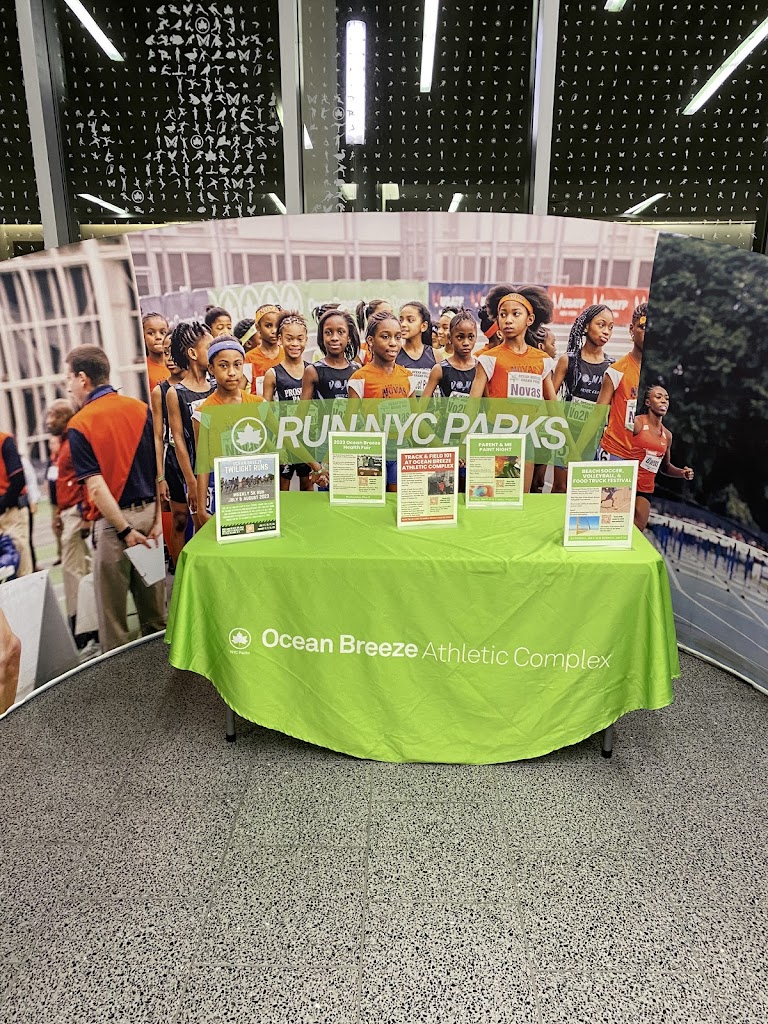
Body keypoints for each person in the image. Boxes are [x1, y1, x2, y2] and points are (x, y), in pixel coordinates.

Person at [65, 345, 166, 653]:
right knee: (157, 619)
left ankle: (124, 684)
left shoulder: (80, 423)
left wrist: (124, 530)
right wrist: (157, 522)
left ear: (83, 378)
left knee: (114, 627)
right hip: (151, 521)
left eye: (68, 378)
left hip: (114, 528)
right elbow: (159, 470)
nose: (67, 386)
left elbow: (96, 487)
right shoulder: (140, 409)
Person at [194, 337, 266, 523]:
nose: (232, 372)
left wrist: (316, 468)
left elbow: (285, 439)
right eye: (223, 366)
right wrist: (201, 510)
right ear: (211, 368)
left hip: (257, 488)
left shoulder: (259, 405)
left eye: (237, 365)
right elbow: (203, 462)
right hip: (224, 491)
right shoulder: (203, 412)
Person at [549, 304, 615, 492]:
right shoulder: (568, 360)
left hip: (594, 437)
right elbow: (549, 398)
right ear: (586, 326)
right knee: (560, 487)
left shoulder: (612, 366)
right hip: (567, 432)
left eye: (610, 327)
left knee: (583, 491)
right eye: (601, 325)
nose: (606, 331)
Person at [163, 323, 215, 559]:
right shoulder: (176, 393)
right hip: (196, 474)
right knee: (204, 533)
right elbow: (178, 441)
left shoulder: (216, 386)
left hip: (221, 470)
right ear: (193, 353)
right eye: (209, 347)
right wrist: (191, 482)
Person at [45, 399, 94, 646]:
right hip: (69, 512)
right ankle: (87, 623)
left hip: (76, 513)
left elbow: (85, 479)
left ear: (65, 416)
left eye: (53, 415)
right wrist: (58, 513)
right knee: (80, 569)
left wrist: (85, 516)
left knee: (73, 571)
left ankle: (81, 626)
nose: (48, 421)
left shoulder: (73, 441)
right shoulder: (63, 444)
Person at [348, 311, 414, 492]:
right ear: (370, 341)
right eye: (385, 337)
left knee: (396, 501)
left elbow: (415, 419)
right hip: (371, 450)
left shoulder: (407, 376)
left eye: (397, 337)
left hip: (400, 449)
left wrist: (440, 446)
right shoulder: (359, 378)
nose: (393, 343)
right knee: (373, 500)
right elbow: (349, 424)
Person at [264, 312, 320, 492]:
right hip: (284, 441)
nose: (295, 344)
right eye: (289, 339)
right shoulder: (272, 374)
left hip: (307, 439)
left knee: (308, 486)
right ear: (280, 339)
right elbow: (265, 412)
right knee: (282, 489)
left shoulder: (312, 371)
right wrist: (275, 442)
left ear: (306, 340)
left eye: (299, 339)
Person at [470, 286, 556, 400]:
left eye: (516, 314)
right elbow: (472, 406)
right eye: (503, 315)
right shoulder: (487, 359)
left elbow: (553, 407)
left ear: (530, 319)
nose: (508, 320)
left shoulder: (543, 360)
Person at [631, 385, 694, 530]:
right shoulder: (637, 423)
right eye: (658, 397)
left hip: (645, 488)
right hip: (625, 482)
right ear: (648, 402)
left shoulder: (667, 436)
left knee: (637, 531)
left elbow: (665, 467)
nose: (664, 401)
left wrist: (682, 473)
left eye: (666, 398)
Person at [596, 302, 646, 460]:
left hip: (644, 460)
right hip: (615, 454)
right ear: (632, 329)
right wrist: (578, 453)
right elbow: (596, 418)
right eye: (642, 327)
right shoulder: (616, 371)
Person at [301, 308, 360, 399]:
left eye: (340, 332)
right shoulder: (313, 371)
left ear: (348, 337)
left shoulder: (356, 369)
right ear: (322, 336)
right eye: (328, 332)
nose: (334, 338)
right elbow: (303, 408)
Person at [422, 309, 478, 397]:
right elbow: (423, 402)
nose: (466, 343)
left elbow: (488, 403)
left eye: (471, 337)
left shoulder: (479, 368)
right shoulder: (440, 369)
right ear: (450, 338)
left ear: (476, 337)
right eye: (460, 337)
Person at [0, 428, 33, 576]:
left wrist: (4, 503)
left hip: (11, 511)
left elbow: (18, 478)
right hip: (6, 507)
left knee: (20, 563)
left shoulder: (4, 441)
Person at [397, 301, 435, 395]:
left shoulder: (435, 354)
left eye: (410, 320)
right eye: (401, 320)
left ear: (423, 326)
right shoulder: (394, 354)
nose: (403, 324)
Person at [246, 304, 283, 395]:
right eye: (268, 326)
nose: (274, 331)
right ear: (258, 327)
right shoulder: (249, 358)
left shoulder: (287, 354)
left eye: (277, 325)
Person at [355, 299, 392, 363]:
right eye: (384, 314)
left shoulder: (397, 345)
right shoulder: (361, 349)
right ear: (370, 318)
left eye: (391, 314)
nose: (390, 318)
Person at [143, 312, 170, 391]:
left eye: (163, 333)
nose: (158, 337)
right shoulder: (143, 370)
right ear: (143, 336)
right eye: (151, 333)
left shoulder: (178, 366)